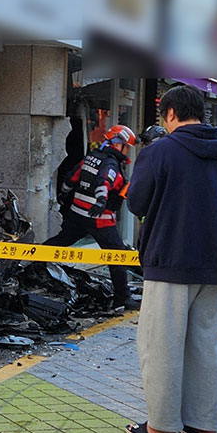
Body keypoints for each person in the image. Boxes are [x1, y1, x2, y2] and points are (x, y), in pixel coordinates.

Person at [122, 84, 217, 433]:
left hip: (169, 262)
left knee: (162, 345)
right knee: (206, 346)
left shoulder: (159, 152)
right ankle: (204, 425)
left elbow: (136, 203)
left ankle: (162, 426)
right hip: (216, 263)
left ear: (170, 113)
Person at [48, 124, 139, 310]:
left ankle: (29, 261)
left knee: (59, 242)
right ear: (117, 143)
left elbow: (71, 177)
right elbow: (104, 182)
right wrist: (100, 201)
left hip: (77, 214)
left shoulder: (91, 157)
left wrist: (63, 195)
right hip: (99, 218)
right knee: (118, 255)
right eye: (126, 146)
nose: (127, 150)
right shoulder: (111, 163)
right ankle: (122, 297)